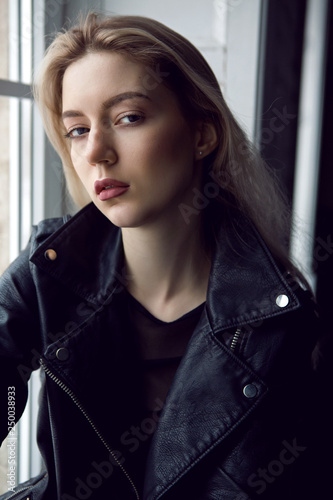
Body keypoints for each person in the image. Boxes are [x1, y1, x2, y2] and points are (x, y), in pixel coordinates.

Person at [0, 11, 324, 500]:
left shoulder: (277, 318)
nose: (97, 153)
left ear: (202, 135)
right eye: (77, 130)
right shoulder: (50, 269)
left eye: (128, 117)